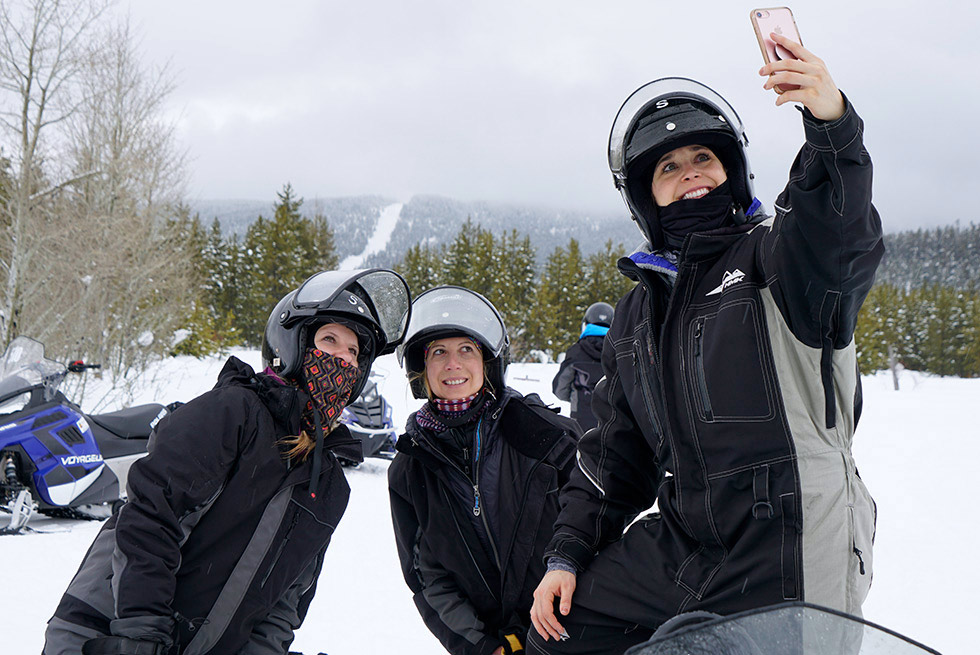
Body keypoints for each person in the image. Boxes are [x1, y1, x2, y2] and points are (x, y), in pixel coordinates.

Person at [528, 33, 883, 654]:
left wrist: (832, 129)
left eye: (703, 157)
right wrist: (567, 553)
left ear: (731, 170)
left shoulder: (779, 259)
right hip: (691, 544)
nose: (690, 171)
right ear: (647, 196)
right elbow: (615, 454)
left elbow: (839, 232)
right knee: (561, 633)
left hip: (792, 540)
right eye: (668, 167)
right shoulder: (640, 312)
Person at [42, 269, 412, 655]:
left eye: (353, 352)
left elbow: (285, 601)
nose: (342, 359)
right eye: (330, 340)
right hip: (105, 631)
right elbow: (151, 514)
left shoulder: (330, 485)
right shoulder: (234, 412)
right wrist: (142, 630)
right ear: (293, 346)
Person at [387, 286, 582, 655]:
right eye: (438, 353)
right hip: (496, 643)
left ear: (487, 362)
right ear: (422, 369)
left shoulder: (541, 432)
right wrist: (479, 645)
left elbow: (593, 519)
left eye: (466, 349)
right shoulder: (411, 468)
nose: (452, 364)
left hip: (574, 625)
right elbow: (428, 577)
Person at [551, 302, 615, 431]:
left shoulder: (576, 352)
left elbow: (560, 389)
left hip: (580, 423)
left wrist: (577, 396)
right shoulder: (619, 352)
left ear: (586, 324)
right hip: (613, 425)